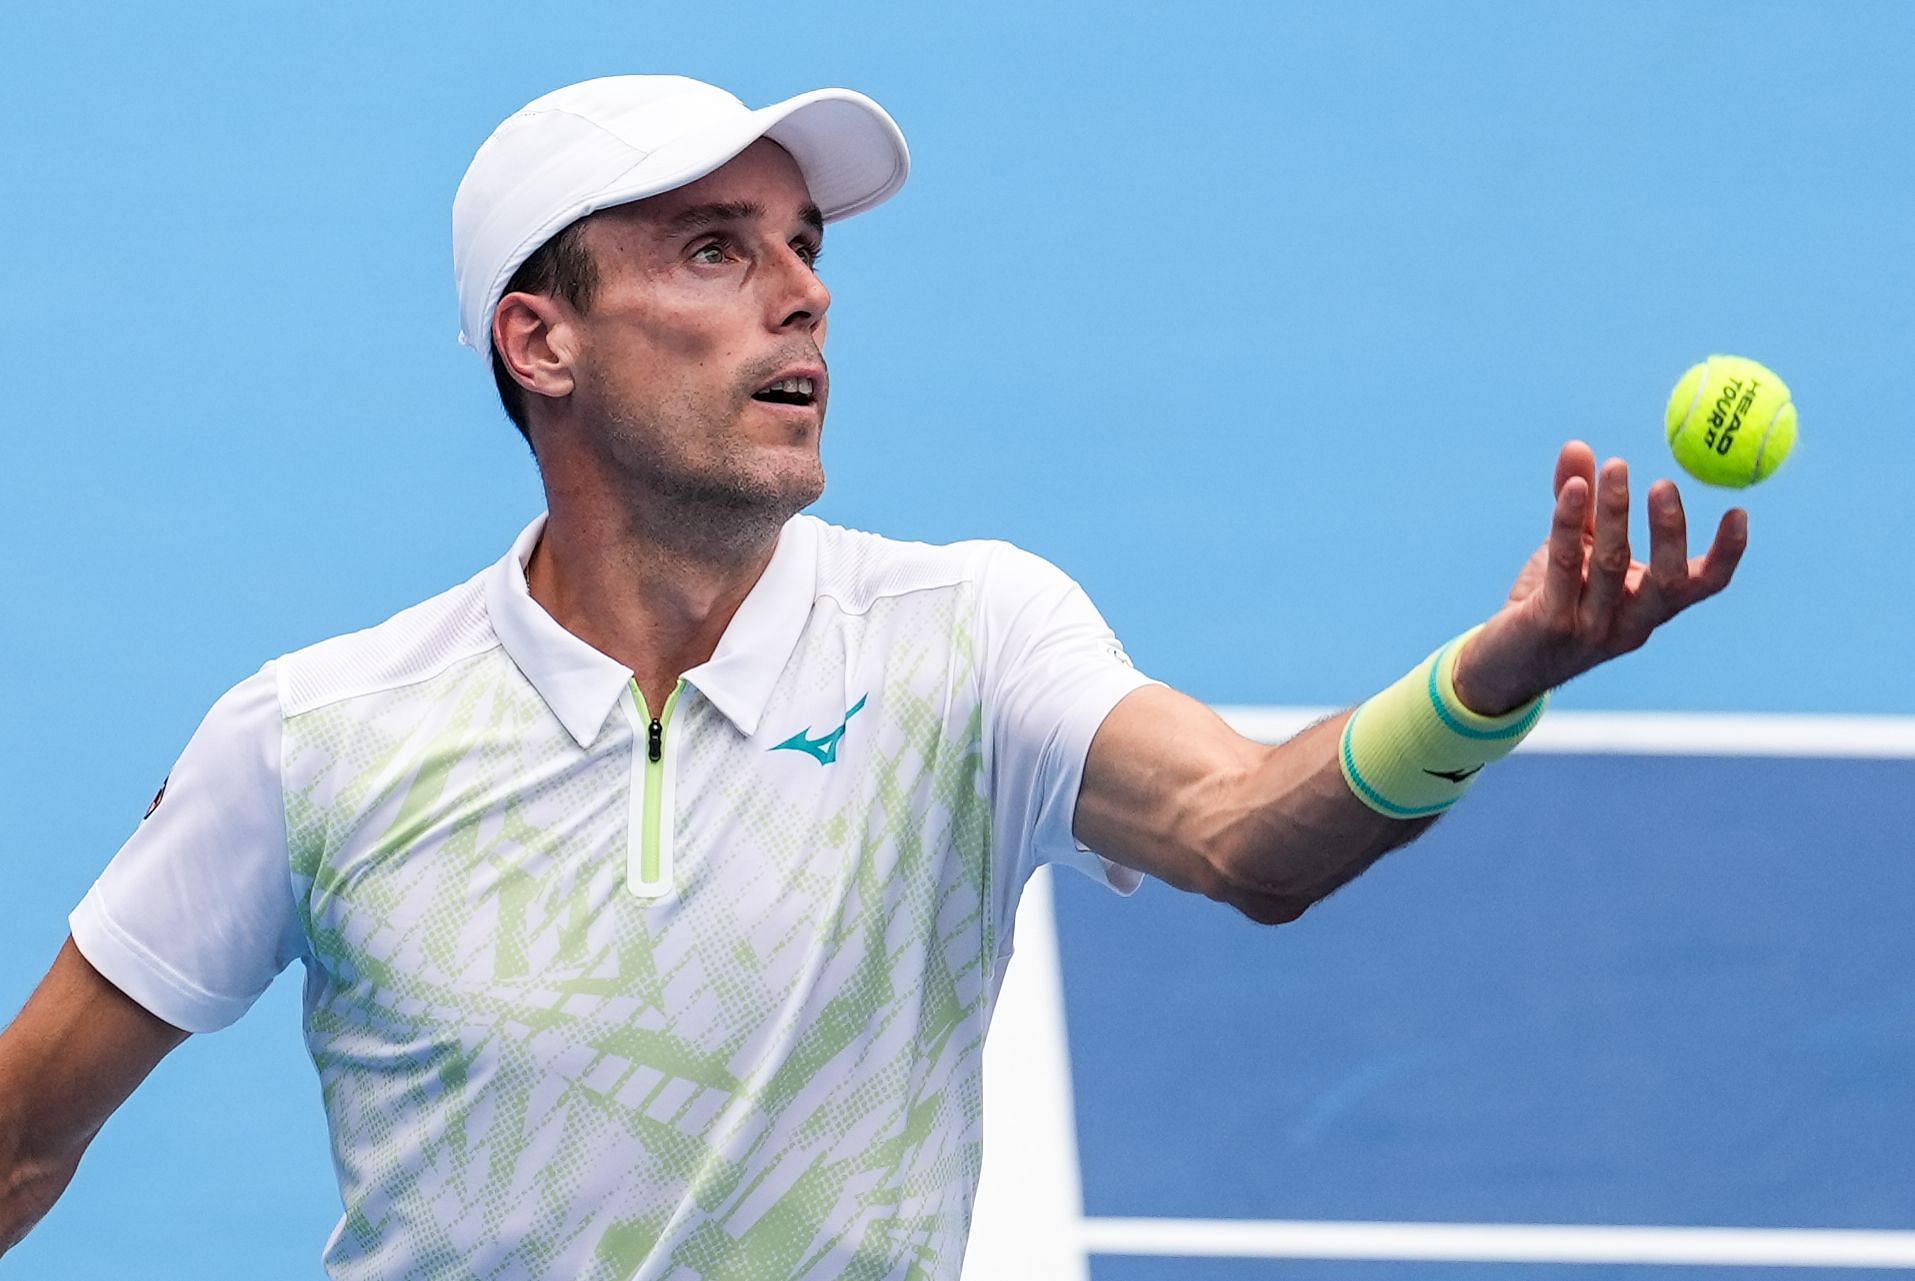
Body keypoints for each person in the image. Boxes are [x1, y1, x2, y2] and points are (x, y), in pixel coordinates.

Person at [0, 75, 1745, 1280]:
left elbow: (1241, 830)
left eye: (806, 248)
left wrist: (1494, 675)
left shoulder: (967, 641)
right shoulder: (317, 739)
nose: (802, 299)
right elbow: (21, 1142)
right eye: (714, 250)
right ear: (543, 342)